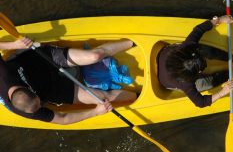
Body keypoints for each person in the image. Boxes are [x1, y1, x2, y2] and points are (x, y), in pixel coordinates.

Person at [0, 38, 137, 124]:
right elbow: (63, 118)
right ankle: (138, 97)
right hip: (54, 89)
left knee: (95, 55)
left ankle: (133, 42)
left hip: (44, 59)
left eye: (40, 102)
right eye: (41, 105)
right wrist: (95, 112)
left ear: (29, 89)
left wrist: (14, 44)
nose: (42, 105)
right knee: (103, 98)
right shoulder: (29, 110)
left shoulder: (3, 75)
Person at [157, 15, 233, 108]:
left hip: (170, 53)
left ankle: (229, 56)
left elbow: (199, 30)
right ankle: (231, 74)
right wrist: (222, 92)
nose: (205, 65)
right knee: (206, 83)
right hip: (167, 79)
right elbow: (200, 103)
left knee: (204, 49)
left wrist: (220, 20)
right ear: (192, 76)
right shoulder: (186, 84)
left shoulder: (187, 46)